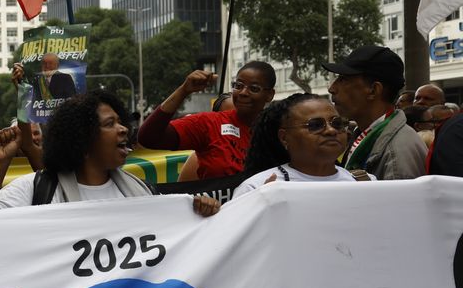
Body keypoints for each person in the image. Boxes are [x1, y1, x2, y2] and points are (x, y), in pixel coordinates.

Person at [0, 91, 220, 215]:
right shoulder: (36, 190)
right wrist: (0, 164)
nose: (124, 129)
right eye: (109, 124)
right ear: (82, 138)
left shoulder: (144, 193)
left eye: (120, 122)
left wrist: (199, 212)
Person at [137, 62, 276, 180]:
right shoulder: (209, 124)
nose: (243, 92)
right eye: (238, 85)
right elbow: (148, 137)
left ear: (269, 95)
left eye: (254, 88)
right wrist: (183, 91)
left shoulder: (280, 132)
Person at [325, 45, 428, 180]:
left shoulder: (397, 152)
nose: (331, 88)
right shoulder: (366, 134)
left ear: (373, 90)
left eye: (344, 79)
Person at [232, 93, 364, 198]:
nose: (331, 130)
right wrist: (259, 206)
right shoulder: (255, 189)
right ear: (284, 138)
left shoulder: (364, 183)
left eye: (337, 123)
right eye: (315, 125)